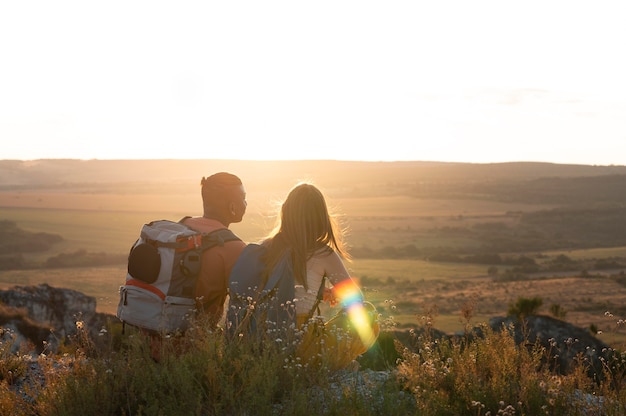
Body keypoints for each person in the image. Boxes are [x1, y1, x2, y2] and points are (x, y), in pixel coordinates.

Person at [252, 182, 379, 370]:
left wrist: (319, 291)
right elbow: (356, 301)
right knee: (368, 314)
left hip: (261, 341)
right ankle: (332, 362)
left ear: (286, 212)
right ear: (321, 218)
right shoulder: (322, 253)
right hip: (301, 345)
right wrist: (336, 294)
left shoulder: (265, 247)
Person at [149, 172, 247, 360]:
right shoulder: (234, 248)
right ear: (232, 206)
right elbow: (246, 304)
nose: (246, 204)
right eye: (243, 198)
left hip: (153, 338)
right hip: (194, 350)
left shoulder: (180, 228)